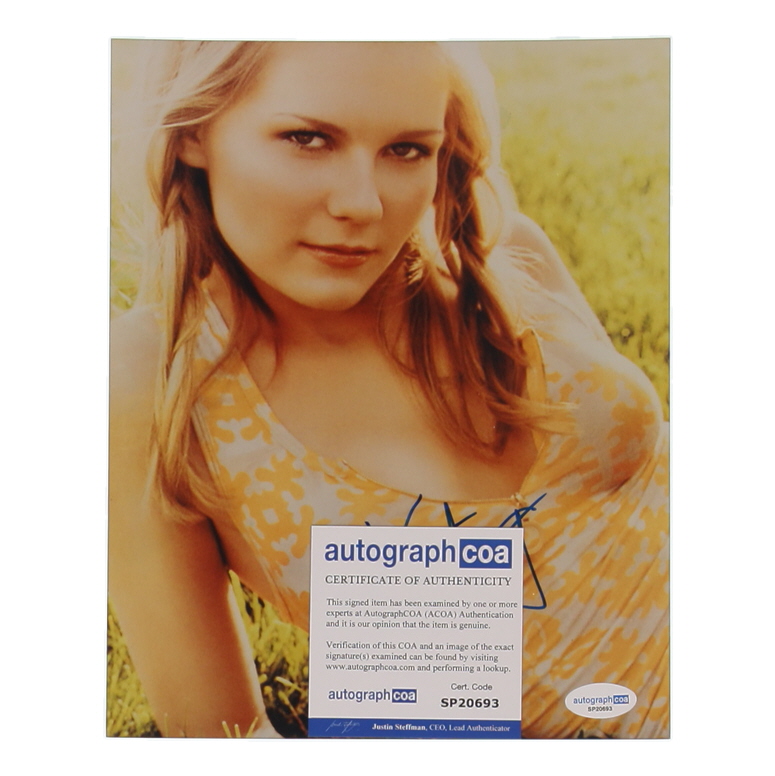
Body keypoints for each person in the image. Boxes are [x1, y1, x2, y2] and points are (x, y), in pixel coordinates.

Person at [109, 40, 668, 739]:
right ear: (194, 130)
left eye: (406, 149)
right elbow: (225, 740)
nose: (363, 204)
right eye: (307, 139)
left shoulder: (501, 262)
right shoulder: (156, 379)